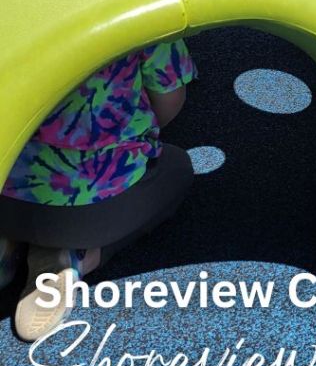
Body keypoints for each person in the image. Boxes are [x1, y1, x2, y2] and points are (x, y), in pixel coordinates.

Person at [0, 41, 196, 340]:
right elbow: (170, 101)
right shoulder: (137, 2)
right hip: (89, 213)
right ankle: (76, 255)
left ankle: (10, 245)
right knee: (176, 167)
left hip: (5, 194)